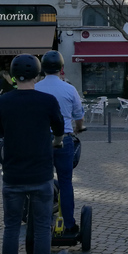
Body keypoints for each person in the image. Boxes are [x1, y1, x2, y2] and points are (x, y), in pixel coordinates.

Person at [0, 54, 64, 254]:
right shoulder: (47, 100)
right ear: (37, 75)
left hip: (12, 176)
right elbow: (59, 128)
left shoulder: (2, 102)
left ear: (13, 76)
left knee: (11, 227)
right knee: (43, 227)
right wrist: (57, 141)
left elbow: (1, 129)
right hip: (41, 175)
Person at [35, 50, 85, 236]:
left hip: (41, 141)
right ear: (61, 68)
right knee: (65, 183)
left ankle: (45, 223)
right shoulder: (69, 89)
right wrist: (78, 128)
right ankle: (69, 224)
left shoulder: (36, 88)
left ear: (42, 68)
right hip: (64, 138)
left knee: (44, 182)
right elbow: (78, 116)